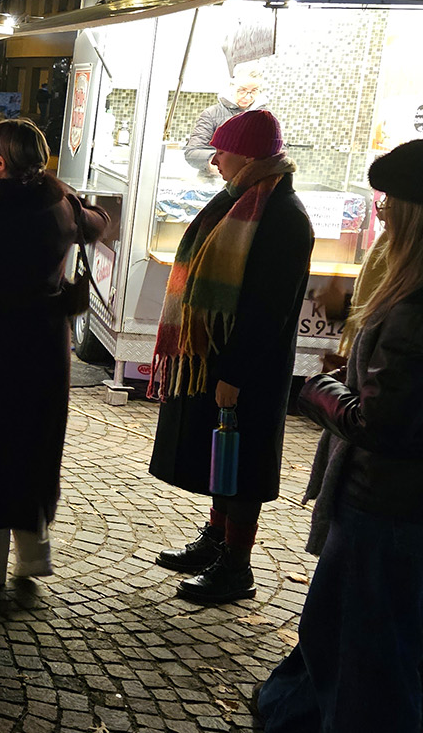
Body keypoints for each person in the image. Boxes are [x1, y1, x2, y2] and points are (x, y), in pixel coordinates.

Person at [256, 139, 423, 732]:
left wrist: (318, 388)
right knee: (340, 641)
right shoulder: (411, 294)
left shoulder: (418, 309)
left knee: (370, 663)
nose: (379, 215)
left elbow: (380, 422)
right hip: (398, 506)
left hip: (387, 506)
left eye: (387, 205)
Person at [0, 118, 107, 584]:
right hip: (47, 345)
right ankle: (34, 551)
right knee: (34, 441)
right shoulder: (59, 200)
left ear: (1, 161)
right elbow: (97, 224)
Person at [149, 109, 314, 604]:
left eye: (223, 149)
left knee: (242, 464)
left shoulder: (282, 216)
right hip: (220, 358)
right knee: (222, 455)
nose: (215, 158)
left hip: (250, 368)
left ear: (248, 154)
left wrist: (236, 373)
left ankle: (236, 568)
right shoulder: (243, 201)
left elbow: (270, 309)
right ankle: (216, 540)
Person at [185, 67, 267, 172]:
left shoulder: (267, 117)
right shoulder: (211, 114)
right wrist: (213, 161)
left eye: (254, 91)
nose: (248, 97)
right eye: (242, 90)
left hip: (251, 181)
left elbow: (279, 152)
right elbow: (192, 152)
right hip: (214, 181)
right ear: (232, 88)